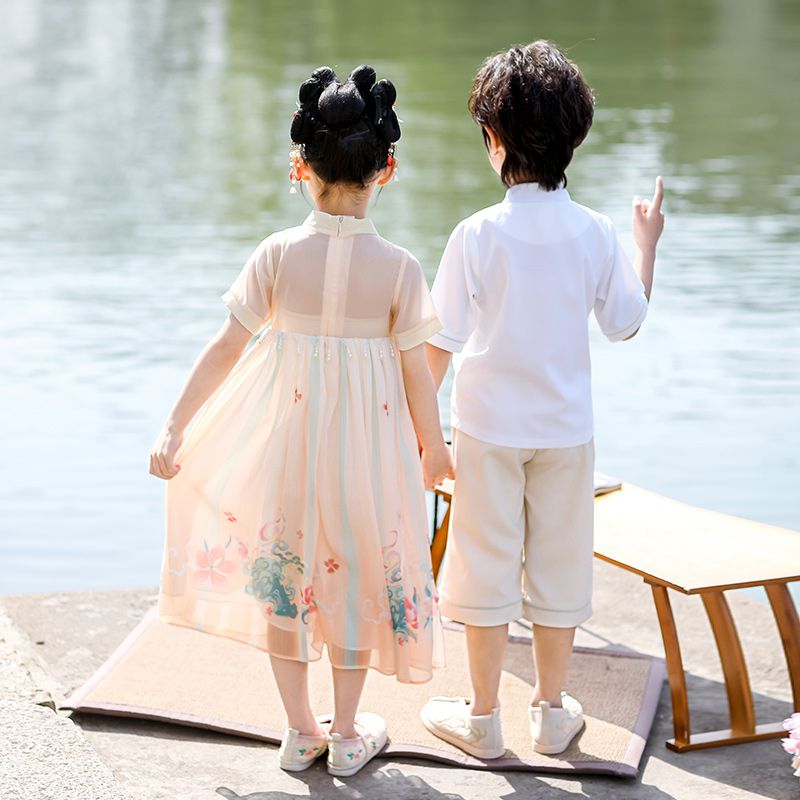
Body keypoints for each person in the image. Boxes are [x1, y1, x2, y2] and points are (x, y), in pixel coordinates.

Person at [150, 65, 451, 777]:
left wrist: (175, 427)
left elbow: (227, 346)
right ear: (388, 169)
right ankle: (348, 734)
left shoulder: (278, 255)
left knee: (287, 577)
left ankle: (298, 730)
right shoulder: (401, 269)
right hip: (368, 456)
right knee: (355, 582)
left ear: (300, 168)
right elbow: (417, 376)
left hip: (289, 448)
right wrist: (433, 454)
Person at [420, 41, 665, 758]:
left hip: (488, 430)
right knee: (560, 566)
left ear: (494, 141)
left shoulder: (475, 235)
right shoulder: (594, 231)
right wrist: (647, 243)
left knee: (483, 564)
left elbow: (441, 343)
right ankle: (552, 712)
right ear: (574, 139)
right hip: (565, 433)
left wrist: (412, 431)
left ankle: (484, 716)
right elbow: (627, 321)